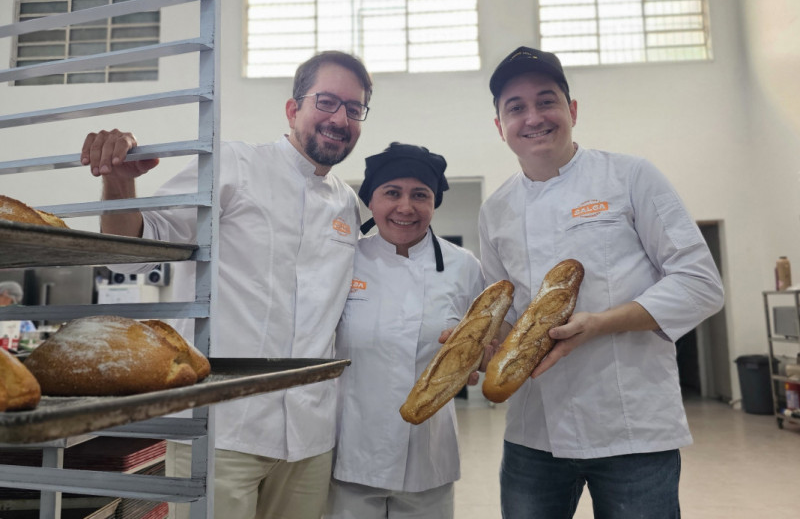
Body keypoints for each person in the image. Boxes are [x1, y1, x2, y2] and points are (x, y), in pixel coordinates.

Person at [79, 50, 373, 519]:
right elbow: (131, 254)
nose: (340, 118)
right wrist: (118, 181)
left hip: (312, 436)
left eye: (353, 109)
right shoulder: (232, 166)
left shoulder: (350, 208)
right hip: (224, 430)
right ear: (293, 108)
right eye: (327, 102)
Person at [479, 46, 724, 518]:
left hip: (631, 427)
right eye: (516, 108)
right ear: (499, 126)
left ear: (571, 110)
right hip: (535, 434)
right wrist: (484, 345)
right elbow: (507, 317)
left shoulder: (630, 176)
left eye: (546, 101)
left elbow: (700, 283)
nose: (533, 117)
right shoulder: (496, 210)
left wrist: (601, 323)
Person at [325, 142, 485, 519]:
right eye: (391, 193)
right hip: (351, 452)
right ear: (371, 200)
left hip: (428, 455)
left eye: (420, 195)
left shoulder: (465, 268)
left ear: (434, 203)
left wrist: (479, 357)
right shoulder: (343, 259)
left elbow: (485, 341)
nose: (405, 207)